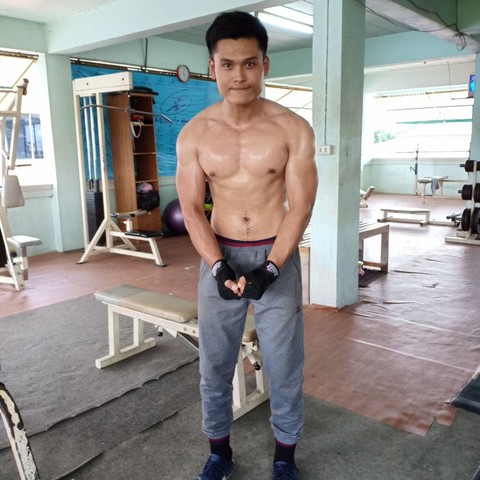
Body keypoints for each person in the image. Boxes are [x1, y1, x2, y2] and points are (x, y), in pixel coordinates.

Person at [176, 10, 318, 480]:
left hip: (276, 255)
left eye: (250, 63)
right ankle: (219, 453)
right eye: (228, 64)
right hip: (218, 254)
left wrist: (271, 268)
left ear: (265, 65)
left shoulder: (292, 129)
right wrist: (218, 267)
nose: (239, 75)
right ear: (212, 67)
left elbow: (300, 206)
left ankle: (285, 459)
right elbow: (191, 208)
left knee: (284, 365)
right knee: (215, 364)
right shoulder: (195, 133)